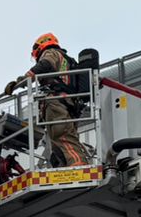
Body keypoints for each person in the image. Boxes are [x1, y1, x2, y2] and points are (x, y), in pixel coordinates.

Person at [9, 32, 92, 168]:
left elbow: (45, 65)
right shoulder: (68, 60)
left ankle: (78, 165)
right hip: (68, 104)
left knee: (63, 137)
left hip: (56, 102)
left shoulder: (51, 52)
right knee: (62, 140)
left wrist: (22, 80)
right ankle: (67, 166)